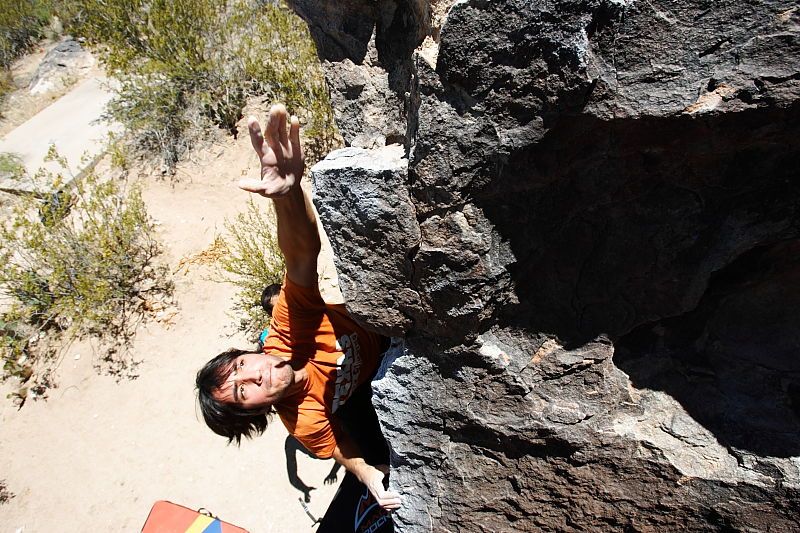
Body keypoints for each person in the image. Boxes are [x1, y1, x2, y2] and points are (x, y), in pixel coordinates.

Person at [195, 104, 401, 512]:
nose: (253, 375)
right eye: (242, 392)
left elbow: (302, 256)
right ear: (255, 413)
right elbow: (338, 446)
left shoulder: (289, 328)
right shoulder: (303, 421)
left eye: (240, 366)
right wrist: (365, 472)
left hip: (383, 329)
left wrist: (289, 196)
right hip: (361, 393)